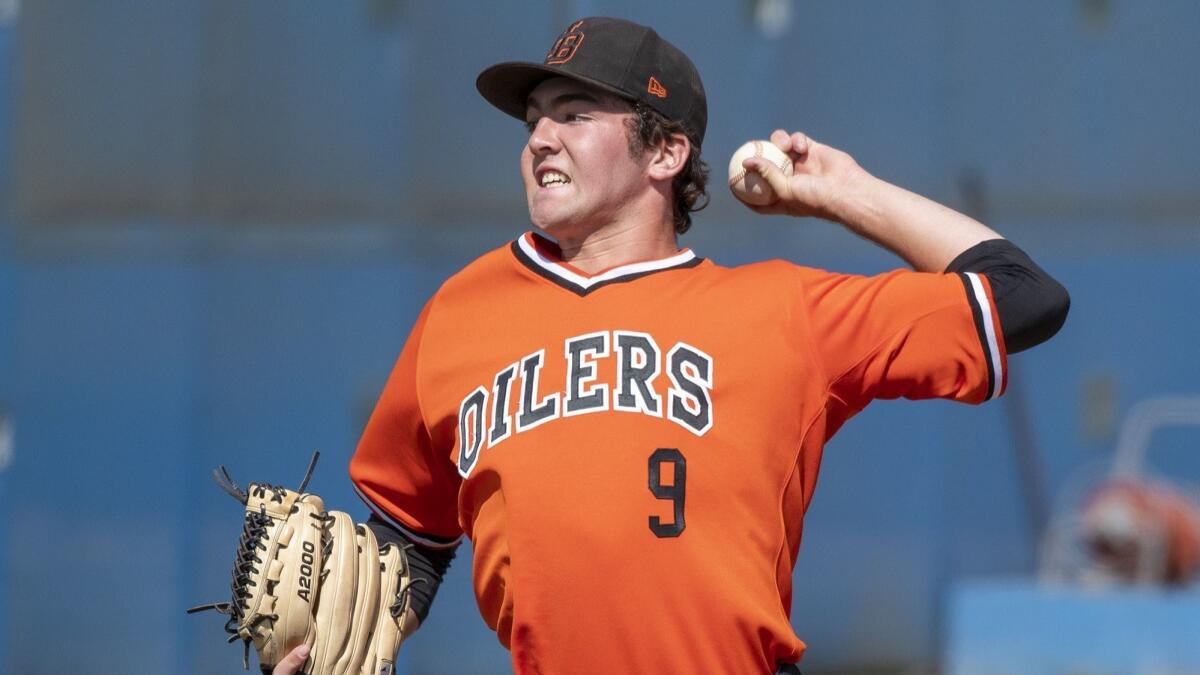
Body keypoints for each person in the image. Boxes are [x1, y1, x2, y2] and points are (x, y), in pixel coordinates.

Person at [277, 15, 1068, 675]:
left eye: (577, 114)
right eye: (534, 121)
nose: (542, 138)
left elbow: (1024, 295)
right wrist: (334, 644)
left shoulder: (781, 310)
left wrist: (845, 193)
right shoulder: (461, 310)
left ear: (666, 152)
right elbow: (409, 538)